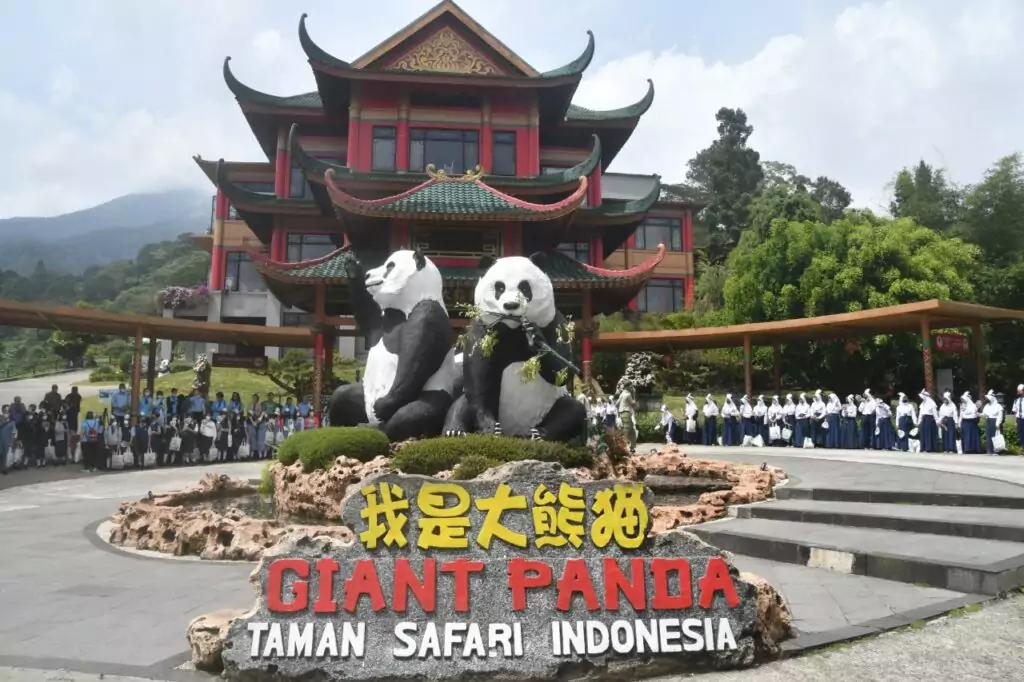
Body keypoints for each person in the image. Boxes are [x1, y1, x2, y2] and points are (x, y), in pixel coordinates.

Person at [616, 382, 637, 454]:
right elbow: (634, 404)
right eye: (631, 386)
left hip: (622, 413)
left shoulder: (622, 394)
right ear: (627, 387)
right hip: (626, 413)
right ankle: (625, 447)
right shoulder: (628, 395)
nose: (632, 388)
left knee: (631, 431)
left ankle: (632, 447)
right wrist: (634, 394)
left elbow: (616, 404)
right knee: (627, 431)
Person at [982, 390, 1004, 455]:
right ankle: (989, 450)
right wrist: (978, 414)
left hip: (995, 421)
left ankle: (996, 450)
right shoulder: (987, 406)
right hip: (988, 421)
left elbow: (1000, 415)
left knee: (995, 436)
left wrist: (998, 423)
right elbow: (984, 414)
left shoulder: (998, 406)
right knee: (989, 436)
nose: (987, 399)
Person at [0, 405, 13, 474]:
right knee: (0, 453)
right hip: (0, 439)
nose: (7, 411)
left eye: (8, 410)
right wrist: (5, 421)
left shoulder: (11, 420)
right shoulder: (0, 418)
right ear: (3, 410)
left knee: (5, 454)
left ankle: (4, 468)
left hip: (7, 439)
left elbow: (13, 430)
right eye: (5, 410)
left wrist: (13, 440)